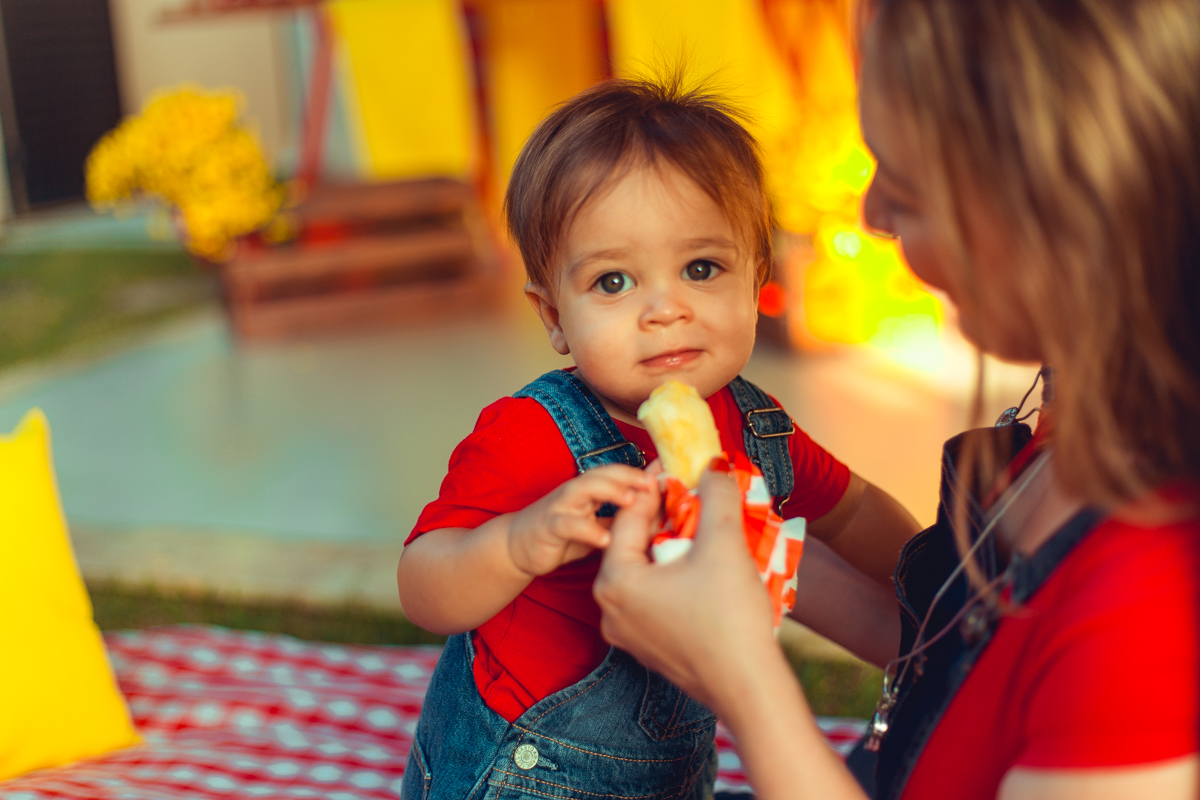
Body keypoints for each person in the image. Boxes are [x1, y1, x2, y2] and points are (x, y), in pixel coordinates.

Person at [594, 0, 1200, 798]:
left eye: (908, 191)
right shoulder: (1074, 410)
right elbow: (961, 664)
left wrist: (743, 683)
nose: (873, 215)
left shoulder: (1149, 612)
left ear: (1060, 211)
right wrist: (762, 552)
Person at [396, 78, 920, 799]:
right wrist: (521, 541)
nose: (665, 309)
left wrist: (935, 597)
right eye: (614, 282)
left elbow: (851, 514)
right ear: (553, 317)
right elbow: (425, 588)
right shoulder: (531, 434)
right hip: (528, 777)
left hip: (668, 775)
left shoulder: (757, 426)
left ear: (757, 280)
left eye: (701, 269)